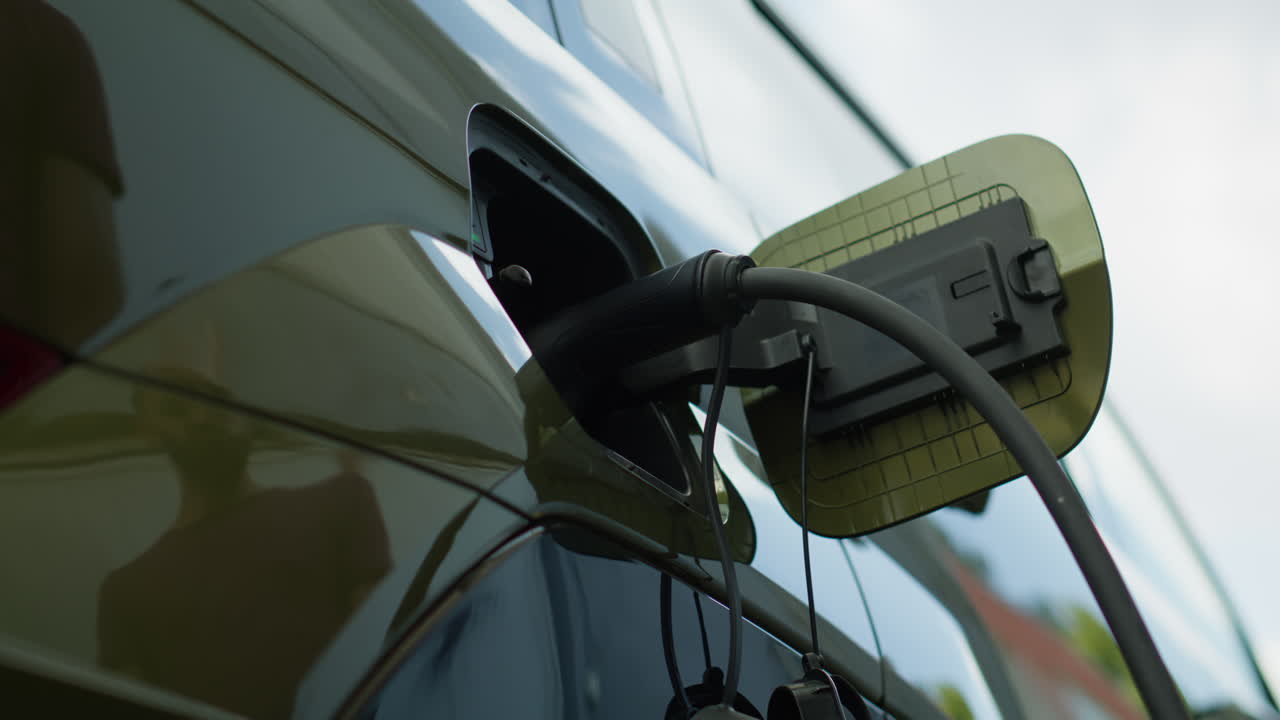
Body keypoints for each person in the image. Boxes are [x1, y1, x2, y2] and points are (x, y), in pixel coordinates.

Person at [99, 369, 391, 718]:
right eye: (176, 407)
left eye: (216, 399)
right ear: (148, 432)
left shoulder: (343, 500)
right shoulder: (126, 592)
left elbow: (388, 662)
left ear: (246, 414)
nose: (202, 415)